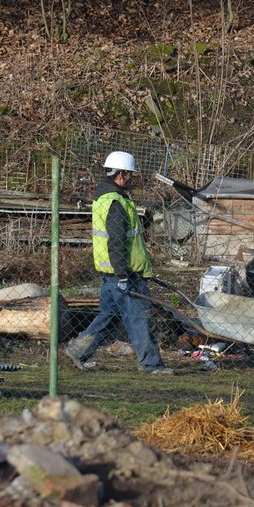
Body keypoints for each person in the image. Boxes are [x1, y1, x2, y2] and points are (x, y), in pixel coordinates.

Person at [64, 151, 172, 375]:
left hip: (112, 274)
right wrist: (123, 275)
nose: (132, 179)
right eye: (130, 175)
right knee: (139, 318)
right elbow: (117, 242)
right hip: (123, 275)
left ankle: (77, 350)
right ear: (121, 174)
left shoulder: (105, 198)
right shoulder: (115, 203)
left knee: (108, 318)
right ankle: (151, 365)